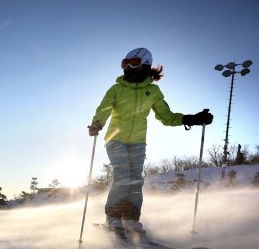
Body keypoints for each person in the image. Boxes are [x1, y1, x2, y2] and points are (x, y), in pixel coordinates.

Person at [88, 47, 213, 233]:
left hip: (138, 142)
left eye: (134, 63)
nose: (129, 66)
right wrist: (96, 124)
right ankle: (112, 217)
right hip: (116, 139)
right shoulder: (116, 89)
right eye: (125, 63)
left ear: (145, 64)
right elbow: (104, 109)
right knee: (123, 176)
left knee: (136, 180)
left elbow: (166, 116)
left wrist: (191, 119)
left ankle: (130, 218)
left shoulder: (153, 91)